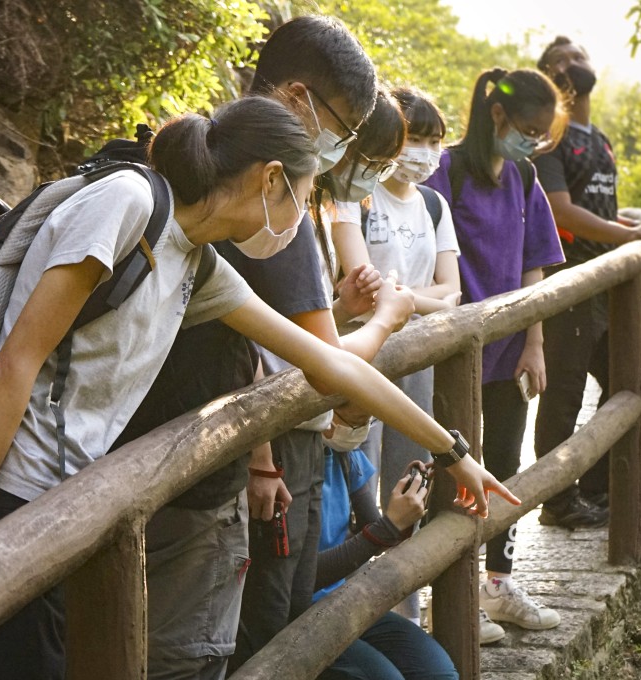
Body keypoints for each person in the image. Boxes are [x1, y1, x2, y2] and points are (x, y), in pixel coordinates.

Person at [0, 95, 517, 680]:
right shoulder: (127, 202)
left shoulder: (197, 261)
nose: (296, 225)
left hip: (64, 507)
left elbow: (333, 366)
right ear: (271, 179)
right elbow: (13, 367)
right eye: (304, 200)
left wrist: (452, 451)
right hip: (11, 494)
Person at [232, 86, 414, 671]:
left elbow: (292, 339)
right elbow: (300, 359)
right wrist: (383, 320)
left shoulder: (308, 205)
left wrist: (335, 312)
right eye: (369, 154)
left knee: (286, 600)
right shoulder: (278, 211)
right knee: (266, 617)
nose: (369, 170)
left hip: (302, 436)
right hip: (281, 442)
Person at [424, 67, 566, 644]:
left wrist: (534, 341)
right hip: (452, 354)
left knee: (505, 464)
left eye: (543, 133)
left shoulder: (525, 176)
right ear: (499, 115)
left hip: (508, 351)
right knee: (450, 469)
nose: (534, 142)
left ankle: (499, 585)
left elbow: (534, 265)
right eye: (528, 129)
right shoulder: (447, 170)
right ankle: (447, 597)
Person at [532, 36, 641, 529]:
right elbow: (560, 208)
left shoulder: (601, 139)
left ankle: (596, 487)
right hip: (567, 279)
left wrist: (624, 233)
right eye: (558, 64)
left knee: (624, 378)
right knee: (564, 391)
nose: (571, 66)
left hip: (606, 285)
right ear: (551, 79)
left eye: (577, 58)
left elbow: (603, 206)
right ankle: (556, 500)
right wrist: (630, 233)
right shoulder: (551, 136)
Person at [332, 86, 460, 623]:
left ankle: (404, 609)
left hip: (417, 358)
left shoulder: (434, 204)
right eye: (417, 139)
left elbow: (452, 291)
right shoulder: (357, 195)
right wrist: (408, 300)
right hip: (362, 355)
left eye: (435, 142)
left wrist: (402, 300)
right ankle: (350, 603)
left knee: (410, 476)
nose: (425, 153)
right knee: (359, 479)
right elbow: (359, 283)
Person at [309, 441, 456, 680]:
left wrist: (405, 509)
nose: (369, 421)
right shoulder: (289, 464)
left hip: (338, 601)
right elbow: (301, 578)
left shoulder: (346, 453)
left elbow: (371, 526)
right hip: (295, 613)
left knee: (438, 673)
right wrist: (388, 527)